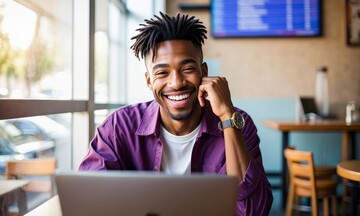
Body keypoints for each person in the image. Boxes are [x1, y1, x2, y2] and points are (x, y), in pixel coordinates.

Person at [79, 12, 273, 215]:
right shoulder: (118, 127)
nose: (177, 83)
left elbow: (253, 211)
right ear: (149, 81)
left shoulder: (237, 123)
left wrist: (226, 116)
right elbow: (89, 200)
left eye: (187, 68)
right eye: (162, 73)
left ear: (204, 72)